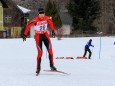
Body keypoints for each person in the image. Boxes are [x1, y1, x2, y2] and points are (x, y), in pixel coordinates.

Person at [23, 8, 57, 74]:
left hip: (45, 35)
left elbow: (51, 23)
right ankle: (38, 68)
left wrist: (53, 31)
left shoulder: (47, 18)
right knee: (40, 53)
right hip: (38, 37)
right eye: (40, 14)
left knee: (50, 51)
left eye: (43, 13)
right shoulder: (35, 20)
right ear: (38, 14)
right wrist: (25, 34)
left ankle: (52, 65)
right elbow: (28, 26)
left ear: (44, 13)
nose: (42, 15)